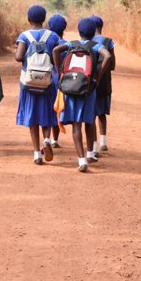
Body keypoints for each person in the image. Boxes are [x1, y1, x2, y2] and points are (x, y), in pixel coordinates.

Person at [53, 18, 112, 172]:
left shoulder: (72, 44)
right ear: (94, 32)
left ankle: (81, 160)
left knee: (76, 125)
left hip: (71, 87)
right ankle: (91, 153)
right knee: (89, 121)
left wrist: (60, 73)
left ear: (79, 32)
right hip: (88, 88)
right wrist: (97, 77)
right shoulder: (96, 45)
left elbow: (55, 50)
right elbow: (107, 56)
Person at [15, 5, 61, 165]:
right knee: (47, 114)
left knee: (32, 117)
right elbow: (59, 54)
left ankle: (36, 153)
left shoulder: (24, 36)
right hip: (47, 82)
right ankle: (47, 139)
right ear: (44, 19)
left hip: (29, 82)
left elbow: (19, 57)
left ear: (29, 19)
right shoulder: (53, 36)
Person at [90, 15, 116, 153]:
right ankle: (103, 141)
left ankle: (93, 146)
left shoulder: (88, 42)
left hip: (91, 82)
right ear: (101, 27)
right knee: (101, 114)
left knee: (91, 114)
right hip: (105, 83)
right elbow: (112, 66)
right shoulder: (108, 41)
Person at [47, 14, 68, 149]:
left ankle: (46, 138)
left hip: (48, 78)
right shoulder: (65, 45)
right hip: (61, 79)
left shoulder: (48, 42)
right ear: (63, 29)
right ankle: (55, 139)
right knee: (57, 109)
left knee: (48, 108)